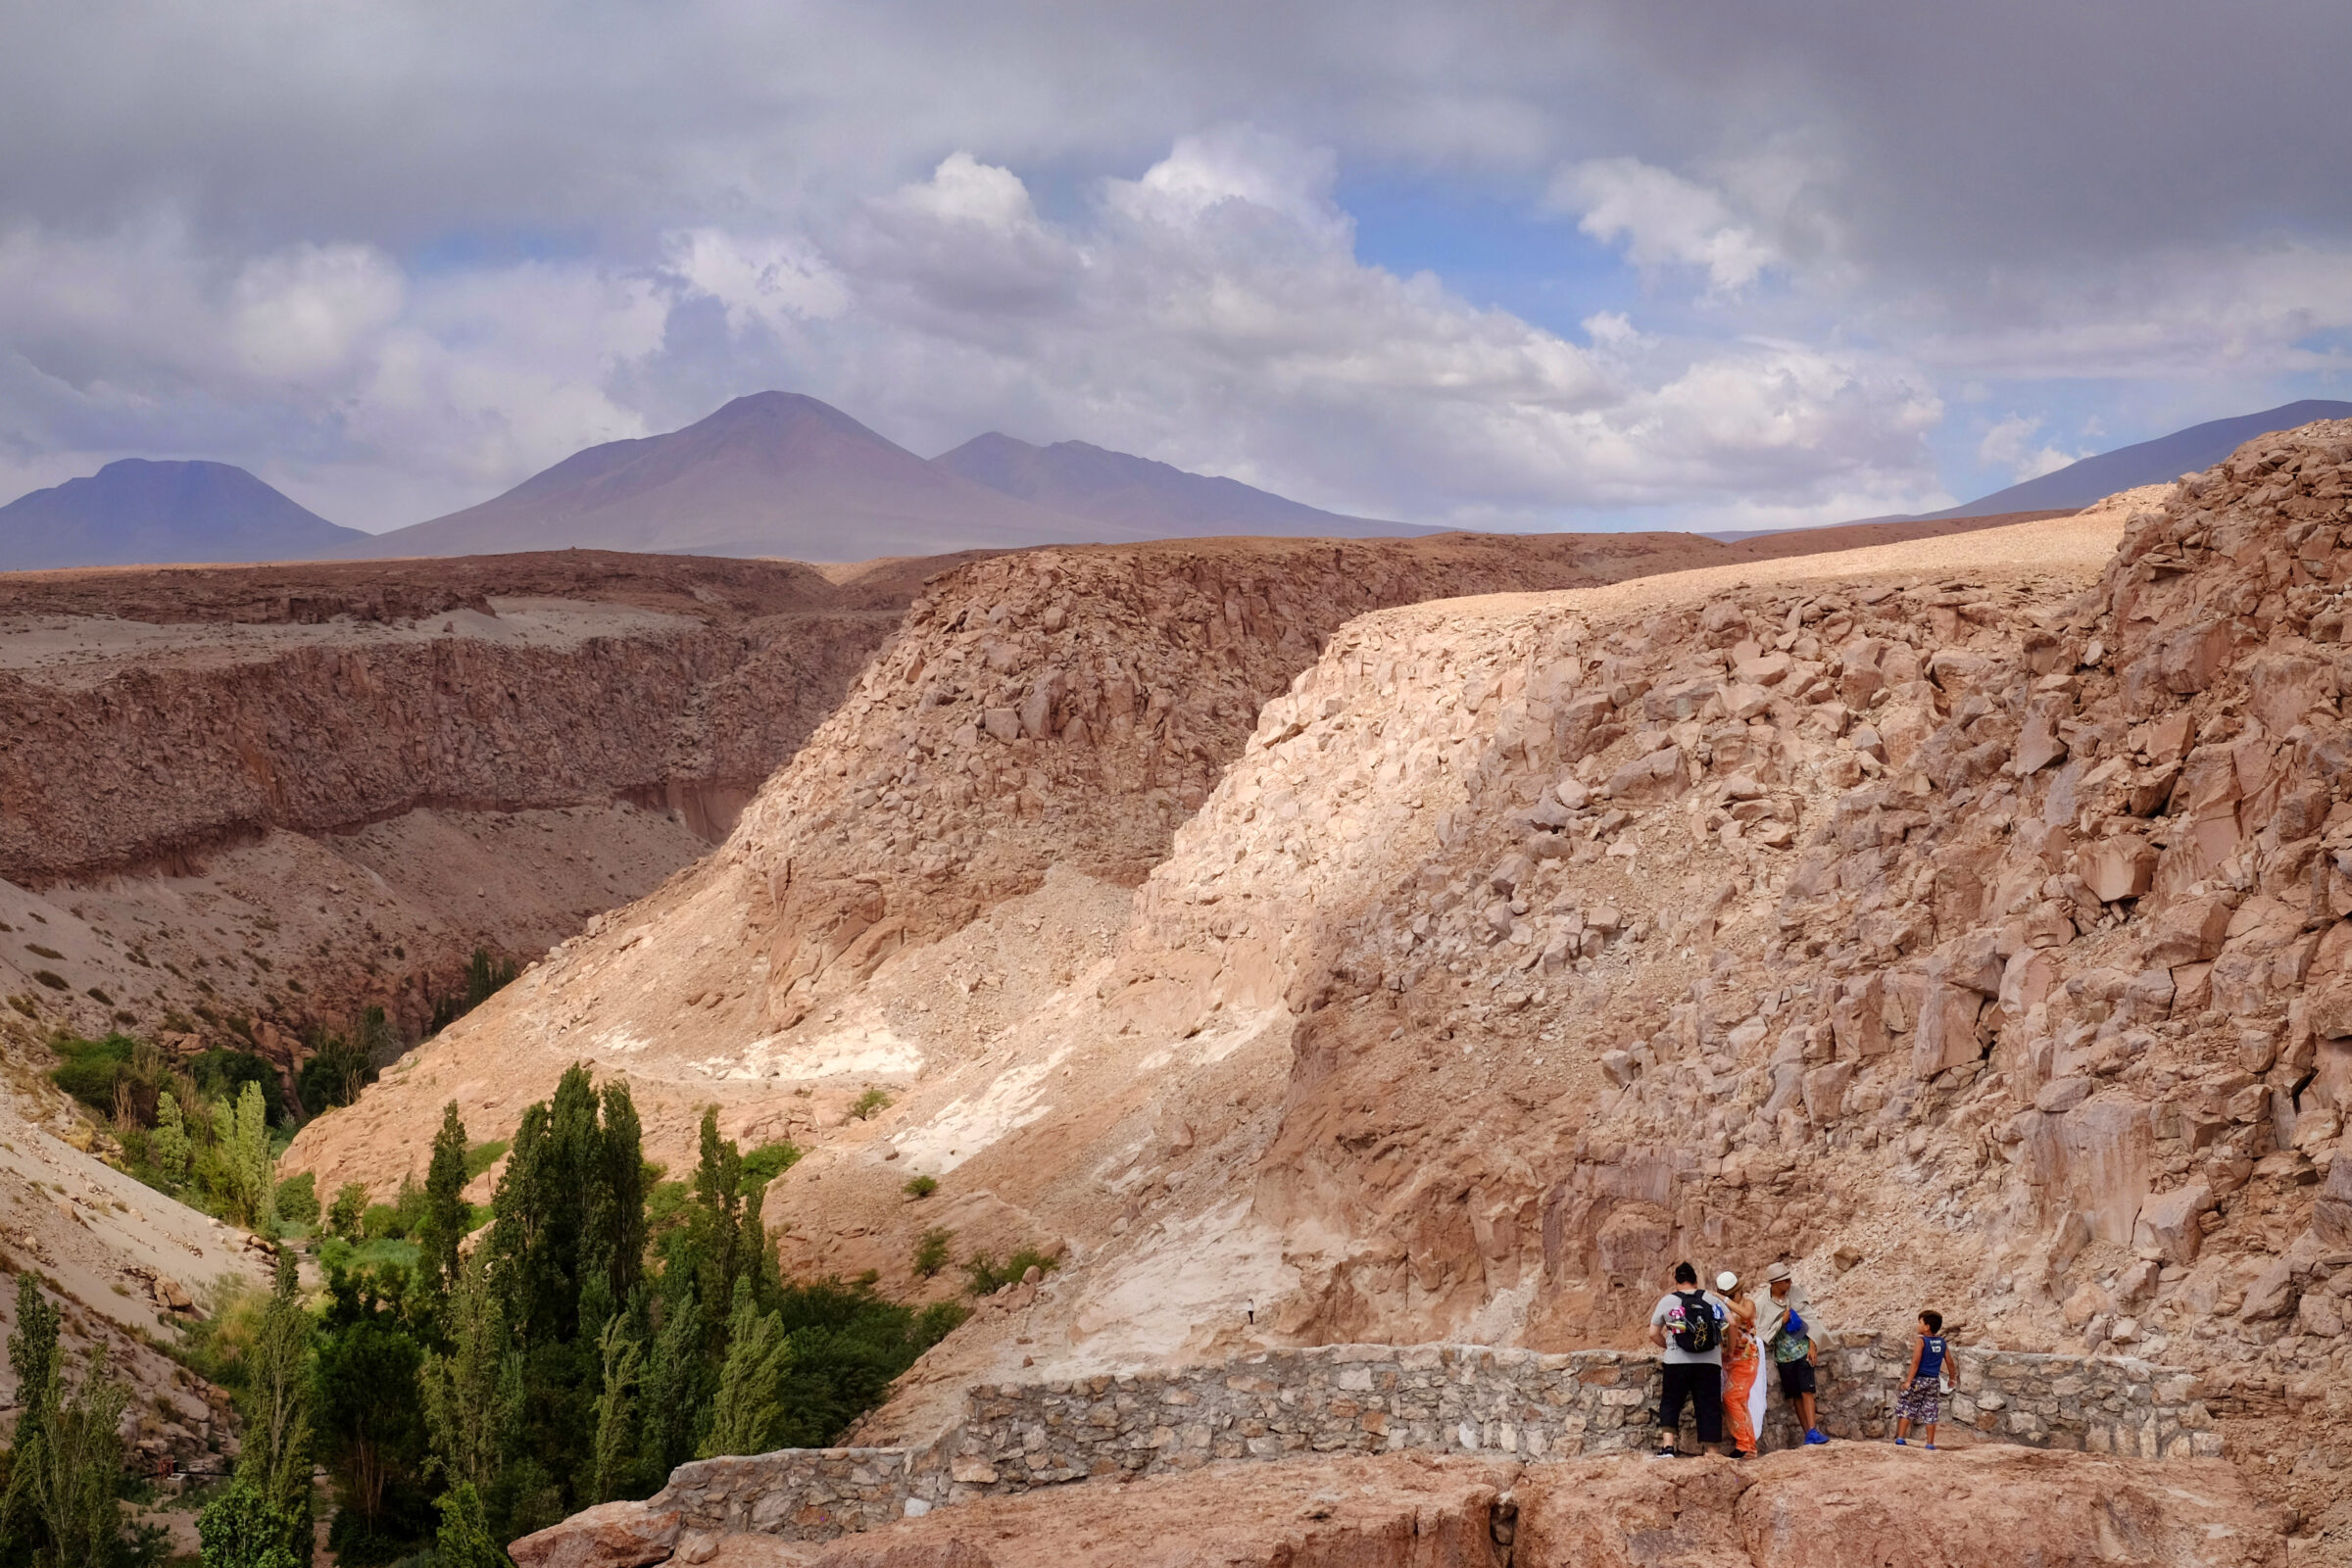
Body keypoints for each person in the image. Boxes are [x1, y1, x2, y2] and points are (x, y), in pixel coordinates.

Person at [1648, 1261, 1727, 1458]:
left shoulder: (1668, 1301)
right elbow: (1730, 1323)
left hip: (1677, 1361)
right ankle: (1712, 1452)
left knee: (1671, 1402)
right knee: (1709, 1406)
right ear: (1695, 1280)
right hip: (1710, 1361)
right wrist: (1727, 1348)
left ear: (1676, 1281)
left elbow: (1653, 1333)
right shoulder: (1710, 1298)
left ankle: (1668, 1448)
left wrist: (1669, 1347)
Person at [1764, 1262, 1828, 1446]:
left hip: (1802, 1351)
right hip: (1783, 1356)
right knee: (1795, 1394)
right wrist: (1781, 1322)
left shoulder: (1797, 1293)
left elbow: (1811, 1318)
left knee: (1807, 1390)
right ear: (1775, 1283)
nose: (1790, 1283)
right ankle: (1808, 1432)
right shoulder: (1763, 1302)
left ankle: (1813, 1430)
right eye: (1785, 1280)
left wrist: (1813, 1345)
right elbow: (1764, 1330)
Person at [1718, 1271, 1764, 1458]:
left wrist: (1723, 1300)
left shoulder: (1747, 1304)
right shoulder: (1725, 1308)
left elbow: (1746, 1314)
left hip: (1746, 1359)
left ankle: (1744, 1446)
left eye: (1731, 1295)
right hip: (1730, 1362)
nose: (1729, 1298)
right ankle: (1748, 1446)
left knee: (1731, 1397)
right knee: (1740, 1401)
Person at [1893, 1309, 1951, 1448]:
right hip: (1933, 1381)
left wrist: (1908, 1381)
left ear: (1927, 1327)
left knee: (1908, 1404)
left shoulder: (1921, 1341)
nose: (1917, 1325)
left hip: (1919, 1380)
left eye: (1920, 1322)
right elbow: (1949, 1361)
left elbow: (1915, 1362)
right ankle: (1930, 1443)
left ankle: (1900, 1438)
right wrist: (1953, 1378)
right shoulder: (1941, 1342)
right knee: (1930, 1409)